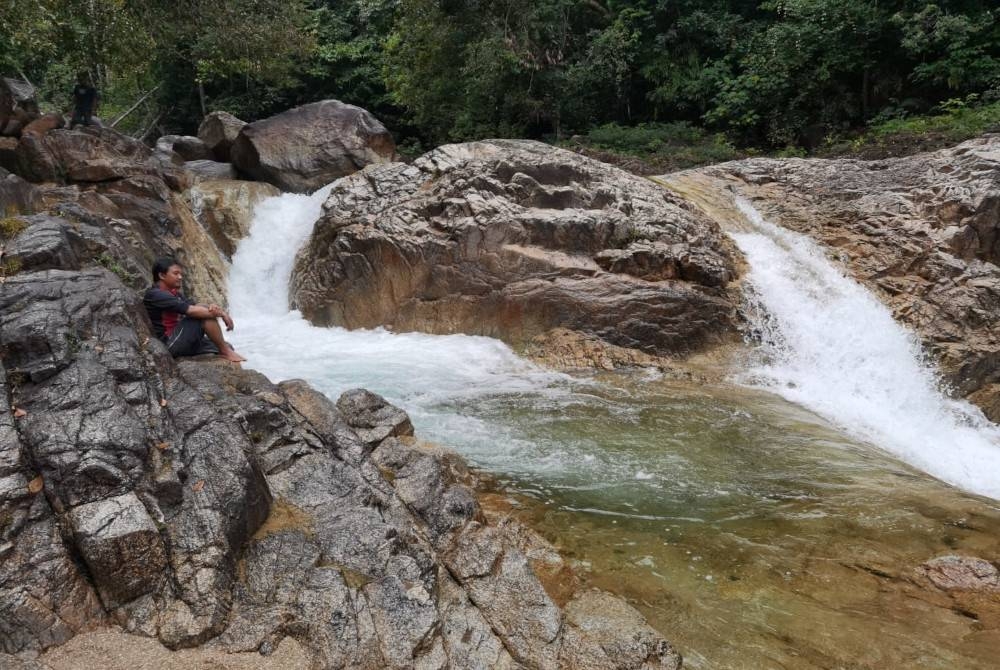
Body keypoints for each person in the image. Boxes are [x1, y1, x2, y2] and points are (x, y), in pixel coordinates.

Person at [144, 257, 246, 363]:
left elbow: (196, 305)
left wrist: (211, 307)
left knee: (227, 345)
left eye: (180, 274)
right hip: (169, 344)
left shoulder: (173, 293)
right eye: (176, 273)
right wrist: (222, 314)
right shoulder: (156, 294)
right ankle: (226, 352)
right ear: (162, 275)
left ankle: (226, 350)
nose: (180, 277)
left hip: (180, 337)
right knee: (202, 317)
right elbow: (191, 311)